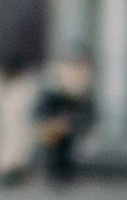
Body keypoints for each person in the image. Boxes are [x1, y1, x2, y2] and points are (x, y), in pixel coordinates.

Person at [34, 52, 92, 186]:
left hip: (63, 118)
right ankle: (58, 172)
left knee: (63, 147)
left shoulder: (74, 74)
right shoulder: (63, 74)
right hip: (57, 117)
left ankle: (61, 172)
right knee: (57, 146)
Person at [0, 61, 40, 185]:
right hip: (5, 126)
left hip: (18, 125)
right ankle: (7, 174)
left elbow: (25, 105)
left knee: (16, 151)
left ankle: (13, 174)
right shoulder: (2, 86)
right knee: (4, 151)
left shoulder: (23, 86)